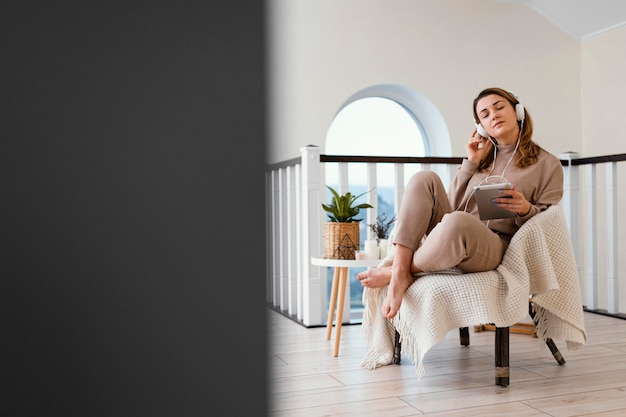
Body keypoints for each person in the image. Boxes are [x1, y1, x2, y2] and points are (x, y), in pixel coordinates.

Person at [356, 87, 564, 319]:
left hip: (497, 246)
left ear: (518, 111)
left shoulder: (547, 163)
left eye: (499, 107)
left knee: (458, 222)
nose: (493, 115)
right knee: (424, 178)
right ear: (480, 127)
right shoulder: (481, 158)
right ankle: (401, 271)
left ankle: (397, 272)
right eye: (484, 114)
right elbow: (452, 207)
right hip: (454, 230)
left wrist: (525, 209)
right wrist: (471, 163)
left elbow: (549, 224)